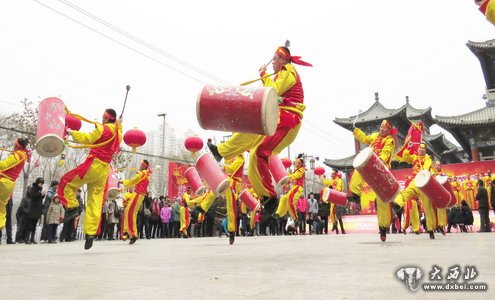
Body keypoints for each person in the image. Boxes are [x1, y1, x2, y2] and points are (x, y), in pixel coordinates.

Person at [208, 42, 312, 204]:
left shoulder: (288, 71)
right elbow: (272, 93)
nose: (272, 62)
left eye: (275, 58)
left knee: (259, 147)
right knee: (255, 153)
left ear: (283, 60)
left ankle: (269, 196)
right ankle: (266, 196)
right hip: (280, 117)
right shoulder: (282, 74)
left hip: (287, 119)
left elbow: (273, 90)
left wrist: (263, 75)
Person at [57, 108, 122, 250]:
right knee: (95, 201)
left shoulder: (103, 129)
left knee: (66, 182)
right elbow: (119, 132)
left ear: (106, 117)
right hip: (104, 169)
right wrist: (119, 124)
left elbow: (88, 138)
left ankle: (73, 206)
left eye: (103, 116)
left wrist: (71, 132)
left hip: (93, 164)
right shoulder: (118, 133)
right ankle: (90, 233)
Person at [349, 120, 396, 242]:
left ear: (389, 130)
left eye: (385, 128)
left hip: (381, 169)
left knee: (382, 201)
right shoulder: (375, 136)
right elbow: (364, 138)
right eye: (381, 126)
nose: (382, 129)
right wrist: (355, 130)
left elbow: (386, 153)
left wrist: (378, 160)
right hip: (369, 163)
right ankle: (355, 195)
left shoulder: (390, 141)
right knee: (357, 172)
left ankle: (383, 228)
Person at [393, 143, 440, 239]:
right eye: (420, 148)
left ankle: (430, 229)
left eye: (423, 149)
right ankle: (397, 203)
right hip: (415, 180)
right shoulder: (414, 157)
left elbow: (426, 168)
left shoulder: (428, 159)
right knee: (407, 191)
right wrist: (408, 147)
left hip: (424, 182)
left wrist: (423, 170)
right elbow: (405, 157)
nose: (421, 150)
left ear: (425, 150)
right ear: (418, 149)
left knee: (427, 206)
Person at [0, 138, 30, 231]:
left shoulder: (16, 155)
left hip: (3, 181)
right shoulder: (24, 155)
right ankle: (1, 223)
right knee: (1, 205)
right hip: (10, 184)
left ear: (17, 145)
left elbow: (3, 165)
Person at [121, 160, 151, 244]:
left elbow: (131, 181)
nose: (140, 166)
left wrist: (123, 181)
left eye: (141, 165)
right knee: (128, 211)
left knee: (131, 213)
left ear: (144, 166)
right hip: (138, 194)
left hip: (138, 194)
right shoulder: (147, 174)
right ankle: (126, 231)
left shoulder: (142, 173)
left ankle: (133, 234)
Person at [273, 154, 305, 223]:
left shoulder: (302, 170)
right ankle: (278, 214)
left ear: (301, 164)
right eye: (296, 163)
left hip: (298, 187)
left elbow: (296, 176)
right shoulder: (296, 170)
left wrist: (288, 176)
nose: (296, 164)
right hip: (294, 187)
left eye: (298, 163)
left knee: (290, 200)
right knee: (284, 198)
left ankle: (295, 218)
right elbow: (292, 177)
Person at [20, 178, 45, 244]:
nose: (41, 184)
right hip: (33, 209)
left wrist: (43, 195)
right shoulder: (33, 188)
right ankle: (26, 239)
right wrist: (40, 194)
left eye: (42, 183)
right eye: (40, 183)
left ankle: (32, 238)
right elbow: (33, 196)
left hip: (38, 209)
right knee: (30, 225)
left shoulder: (40, 189)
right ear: (37, 183)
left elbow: (40, 198)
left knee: (34, 225)